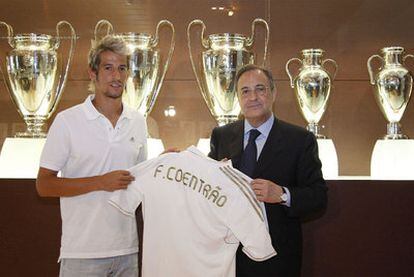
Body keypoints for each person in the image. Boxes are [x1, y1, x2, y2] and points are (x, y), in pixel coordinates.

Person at [36, 35, 148, 277]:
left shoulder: (138, 122)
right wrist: (100, 182)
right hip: (81, 255)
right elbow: (44, 185)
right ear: (92, 73)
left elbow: (142, 180)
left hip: (127, 252)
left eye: (122, 68)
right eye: (108, 68)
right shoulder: (67, 121)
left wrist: (168, 164)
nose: (116, 76)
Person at [208, 64, 327, 277]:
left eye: (260, 89)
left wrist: (282, 195)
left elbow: (318, 197)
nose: (252, 97)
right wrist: (175, 160)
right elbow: (205, 186)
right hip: (228, 257)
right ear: (238, 97)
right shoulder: (221, 136)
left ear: (273, 93)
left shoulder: (300, 140)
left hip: (277, 258)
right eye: (245, 91)